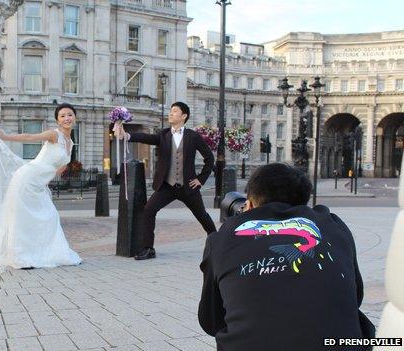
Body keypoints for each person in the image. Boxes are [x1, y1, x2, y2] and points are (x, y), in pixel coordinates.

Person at [198, 163, 375, 351]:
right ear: (304, 202)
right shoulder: (334, 226)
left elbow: (211, 320)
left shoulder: (222, 239)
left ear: (249, 204)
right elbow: (355, 296)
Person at [0, 103, 82, 269]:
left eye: (70, 114)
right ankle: (20, 257)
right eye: (62, 116)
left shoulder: (70, 142)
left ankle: (46, 254)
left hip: (38, 184)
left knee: (49, 216)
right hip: (26, 179)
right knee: (23, 218)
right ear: (57, 120)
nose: (67, 118)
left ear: (75, 117)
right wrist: (5, 137)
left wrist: (47, 180)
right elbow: (29, 137)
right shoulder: (54, 135)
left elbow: (60, 167)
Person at [115, 101, 216, 260]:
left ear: (184, 116)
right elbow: (146, 137)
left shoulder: (193, 136)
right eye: (170, 110)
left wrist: (200, 179)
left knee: (202, 215)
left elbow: (209, 159)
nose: (171, 113)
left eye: (175, 111)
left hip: (188, 187)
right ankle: (149, 249)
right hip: (167, 186)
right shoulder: (163, 135)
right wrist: (127, 135)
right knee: (149, 210)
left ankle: (218, 242)